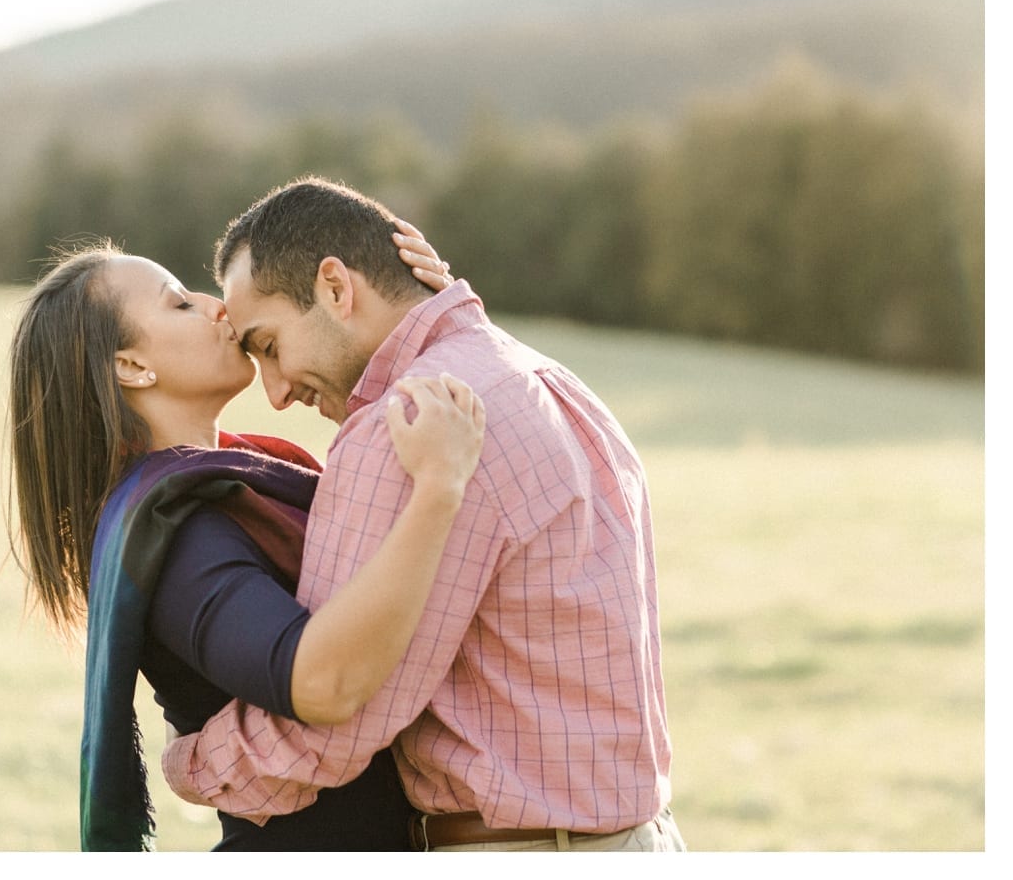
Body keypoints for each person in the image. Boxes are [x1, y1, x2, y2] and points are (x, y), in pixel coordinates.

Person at [161, 176, 685, 852]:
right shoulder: (545, 378)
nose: (278, 390)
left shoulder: (407, 421)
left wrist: (190, 763)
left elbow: (337, 707)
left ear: (335, 287)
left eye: (267, 346)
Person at [6, 231, 486, 851]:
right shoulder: (177, 536)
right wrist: (438, 489)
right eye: (179, 303)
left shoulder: (244, 474)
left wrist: (424, 310)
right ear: (130, 366)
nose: (216, 307)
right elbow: (320, 683)